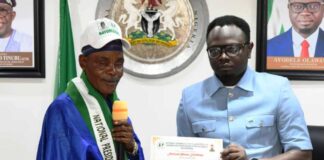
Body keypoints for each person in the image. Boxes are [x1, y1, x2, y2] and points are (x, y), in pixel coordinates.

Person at [177, 15, 312, 160]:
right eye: (215, 51)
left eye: (232, 49)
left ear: (249, 49)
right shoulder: (190, 98)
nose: (223, 56)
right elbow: (184, 154)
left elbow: (302, 154)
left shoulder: (277, 89)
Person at [37, 18, 144, 160]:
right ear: (83, 62)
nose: (113, 71)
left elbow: (133, 154)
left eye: (119, 63)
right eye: (103, 63)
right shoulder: (62, 110)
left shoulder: (116, 108)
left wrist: (132, 147)